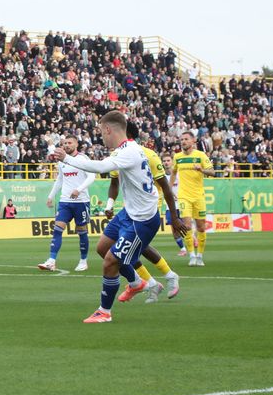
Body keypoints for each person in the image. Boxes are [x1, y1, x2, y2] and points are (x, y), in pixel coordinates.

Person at [51, 111, 187, 323]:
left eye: (101, 132)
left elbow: (101, 167)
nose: (101, 137)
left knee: (110, 262)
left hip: (142, 219)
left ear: (107, 129)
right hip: (129, 212)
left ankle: (104, 311)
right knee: (103, 248)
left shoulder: (129, 152)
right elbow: (110, 173)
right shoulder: (128, 149)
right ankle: (136, 282)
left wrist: (66, 158)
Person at [104, 123, 182, 303]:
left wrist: (175, 217)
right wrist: (109, 204)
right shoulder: (117, 156)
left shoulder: (149, 155)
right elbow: (114, 183)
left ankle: (162, 278)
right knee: (129, 249)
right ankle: (153, 282)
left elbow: (165, 188)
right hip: (130, 208)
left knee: (132, 249)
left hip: (148, 208)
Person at [39, 135, 95, 272]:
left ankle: (83, 260)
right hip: (65, 201)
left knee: (82, 231)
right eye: (65, 143)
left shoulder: (83, 159)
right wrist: (51, 196)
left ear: (76, 144)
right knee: (57, 230)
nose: (67, 145)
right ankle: (51, 260)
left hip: (81, 201)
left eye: (70, 143)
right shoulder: (61, 161)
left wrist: (79, 189)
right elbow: (60, 179)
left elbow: (92, 176)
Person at [173, 132, 214, 266]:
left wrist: (201, 169)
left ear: (193, 141)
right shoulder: (177, 157)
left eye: (186, 139)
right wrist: (169, 190)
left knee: (201, 228)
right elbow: (173, 173)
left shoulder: (201, 155)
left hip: (198, 197)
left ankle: (200, 256)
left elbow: (212, 172)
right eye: (181, 139)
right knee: (187, 226)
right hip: (184, 196)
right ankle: (191, 255)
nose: (183, 141)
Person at [161, 154, 189, 256]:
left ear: (172, 162)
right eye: (164, 161)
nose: (166, 162)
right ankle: (183, 248)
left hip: (182, 204)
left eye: (168, 160)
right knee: (174, 231)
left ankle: (193, 238)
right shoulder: (161, 176)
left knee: (187, 226)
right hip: (170, 206)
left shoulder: (179, 174)